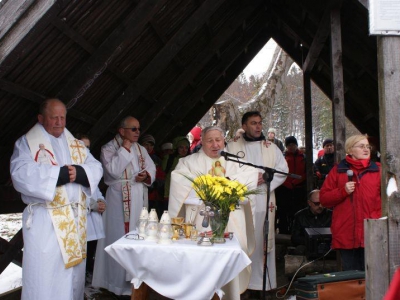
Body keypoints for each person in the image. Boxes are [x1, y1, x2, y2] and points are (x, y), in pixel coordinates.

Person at [10, 99, 103, 300]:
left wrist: (79, 172)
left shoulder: (76, 145)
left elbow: (96, 167)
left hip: (75, 220)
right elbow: (20, 173)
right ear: (41, 118)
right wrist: (57, 176)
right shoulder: (27, 143)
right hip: (46, 222)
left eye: (63, 117)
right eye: (54, 117)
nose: (60, 122)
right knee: (45, 275)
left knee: (73, 276)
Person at [168, 126, 259, 299]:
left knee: (227, 265)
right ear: (201, 141)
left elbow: (250, 176)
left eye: (218, 140)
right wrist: (209, 189)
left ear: (223, 140)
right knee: (200, 264)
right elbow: (179, 182)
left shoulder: (235, 162)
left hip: (230, 221)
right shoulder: (188, 162)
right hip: (200, 221)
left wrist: (225, 187)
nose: (215, 144)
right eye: (210, 140)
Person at [92, 116, 156, 296]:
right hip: (118, 199)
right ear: (122, 131)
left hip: (138, 196)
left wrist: (146, 176)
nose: (138, 132)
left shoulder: (141, 149)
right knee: (117, 237)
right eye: (133, 129)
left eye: (138, 129)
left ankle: (134, 283)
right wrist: (125, 149)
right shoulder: (109, 148)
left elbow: (151, 169)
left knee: (138, 236)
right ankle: (114, 282)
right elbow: (113, 171)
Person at [226, 111, 288, 294]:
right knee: (242, 240)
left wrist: (267, 179)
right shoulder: (232, 146)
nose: (258, 126)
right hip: (240, 201)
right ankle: (240, 286)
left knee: (262, 241)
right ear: (244, 126)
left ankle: (261, 285)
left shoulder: (271, 147)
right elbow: (227, 172)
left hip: (264, 200)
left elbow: (283, 170)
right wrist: (251, 179)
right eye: (253, 123)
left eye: (260, 123)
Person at [320, 134, 381, 271]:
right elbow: (324, 199)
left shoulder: (378, 170)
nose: (366, 149)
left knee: (374, 277)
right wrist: (343, 191)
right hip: (346, 234)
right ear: (350, 150)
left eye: (368, 147)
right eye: (361, 146)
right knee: (352, 280)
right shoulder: (338, 170)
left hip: (372, 234)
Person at [75, 133, 107, 277]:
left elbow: (96, 190)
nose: (85, 150)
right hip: (83, 219)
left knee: (92, 250)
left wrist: (101, 201)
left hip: (94, 219)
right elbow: (73, 194)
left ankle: (89, 277)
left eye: (88, 147)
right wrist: (92, 205)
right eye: (82, 146)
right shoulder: (73, 169)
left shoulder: (91, 168)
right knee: (83, 253)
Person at [275, 135, 307, 235]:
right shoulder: (282, 157)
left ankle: (298, 232)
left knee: (297, 211)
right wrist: (287, 183)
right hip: (284, 189)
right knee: (283, 212)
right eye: (289, 145)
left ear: (296, 145)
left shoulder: (304, 157)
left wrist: (297, 181)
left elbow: (307, 171)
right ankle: (283, 232)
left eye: (293, 144)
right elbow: (278, 172)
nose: (291, 147)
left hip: (299, 189)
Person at [291, 190, 332, 254]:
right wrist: (312, 241)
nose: (320, 206)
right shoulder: (300, 216)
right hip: (307, 246)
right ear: (309, 203)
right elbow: (295, 238)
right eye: (317, 204)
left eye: (322, 202)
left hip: (327, 246)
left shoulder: (331, 215)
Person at [140, 134, 165, 218]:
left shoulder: (157, 159)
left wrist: (155, 184)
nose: (148, 147)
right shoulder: (137, 156)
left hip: (153, 196)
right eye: (146, 144)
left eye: (151, 145)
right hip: (139, 194)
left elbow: (161, 176)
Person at [162, 136, 190, 209]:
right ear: (176, 148)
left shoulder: (190, 160)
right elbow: (163, 170)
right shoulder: (170, 158)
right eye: (181, 147)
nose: (184, 150)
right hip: (169, 191)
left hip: (184, 193)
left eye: (186, 148)